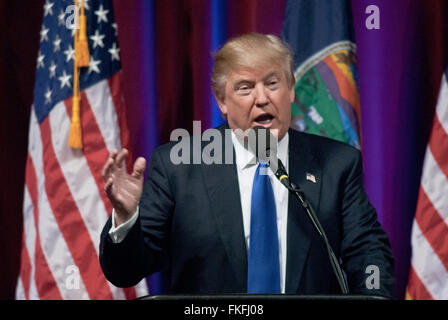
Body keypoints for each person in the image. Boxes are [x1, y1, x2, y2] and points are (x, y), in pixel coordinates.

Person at [99, 33, 394, 297]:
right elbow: (126, 271)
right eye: (245, 87)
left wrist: (373, 295)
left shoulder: (336, 164)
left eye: (272, 83)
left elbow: (367, 250)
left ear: (291, 90)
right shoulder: (178, 165)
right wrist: (126, 219)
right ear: (222, 102)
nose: (262, 98)